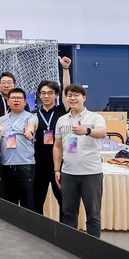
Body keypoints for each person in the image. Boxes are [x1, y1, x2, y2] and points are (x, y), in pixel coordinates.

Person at [54, 84, 107, 238]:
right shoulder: (62, 120)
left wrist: (87, 131)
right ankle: (70, 246)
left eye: (76, 95)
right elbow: (57, 146)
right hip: (68, 173)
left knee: (93, 215)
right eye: (69, 95)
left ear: (84, 98)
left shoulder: (94, 117)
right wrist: (57, 169)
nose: (72, 98)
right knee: (68, 214)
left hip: (91, 173)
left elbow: (103, 132)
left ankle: (93, 247)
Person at [33, 56, 73, 216]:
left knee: (64, 201)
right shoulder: (33, 114)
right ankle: (38, 228)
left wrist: (65, 69)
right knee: (36, 202)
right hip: (38, 164)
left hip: (60, 164)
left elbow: (67, 89)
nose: (46, 96)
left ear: (56, 95)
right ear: (39, 95)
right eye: (43, 93)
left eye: (50, 93)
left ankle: (65, 229)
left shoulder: (62, 111)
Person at [0, 88, 38, 210]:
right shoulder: (1, 120)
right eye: (13, 98)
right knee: (9, 203)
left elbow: (31, 126)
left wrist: (29, 132)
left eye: (19, 98)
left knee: (27, 202)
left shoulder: (31, 117)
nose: (16, 100)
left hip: (25, 165)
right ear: (8, 101)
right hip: (6, 165)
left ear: (25, 102)